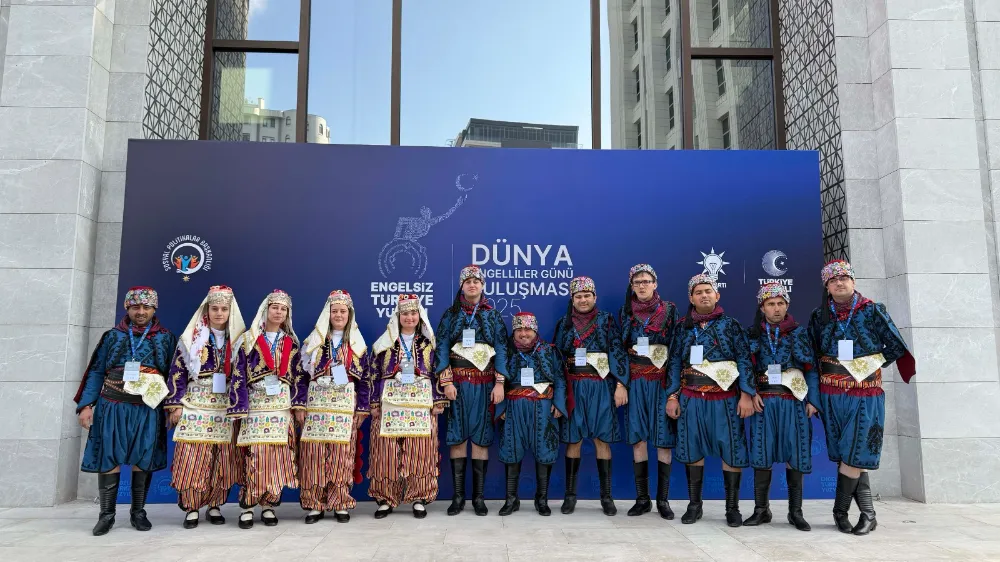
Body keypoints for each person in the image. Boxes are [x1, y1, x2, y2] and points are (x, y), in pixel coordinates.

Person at [808, 260, 915, 535]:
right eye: (833, 280)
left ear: (853, 281)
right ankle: (868, 514)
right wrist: (814, 396)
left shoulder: (872, 310)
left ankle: (840, 511)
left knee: (855, 453)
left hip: (864, 392)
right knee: (847, 454)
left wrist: (870, 363)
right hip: (831, 393)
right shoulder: (819, 316)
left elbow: (896, 346)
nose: (839, 282)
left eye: (844, 278)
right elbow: (812, 356)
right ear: (827, 287)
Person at [74, 286, 177, 536]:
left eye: (146, 307)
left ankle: (138, 512)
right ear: (127, 308)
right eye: (135, 307)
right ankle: (106, 515)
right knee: (108, 455)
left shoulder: (165, 338)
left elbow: (174, 374)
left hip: (148, 408)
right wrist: (86, 405)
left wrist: (172, 406)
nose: (141, 312)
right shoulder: (112, 336)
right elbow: (96, 371)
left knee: (144, 457)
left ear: (154, 309)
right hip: (112, 405)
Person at [666, 274, 754, 527]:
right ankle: (694, 505)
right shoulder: (682, 327)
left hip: (725, 399)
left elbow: (744, 360)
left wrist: (746, 394)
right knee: (692, 448)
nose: (704, 295)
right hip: (691, 398)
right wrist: (672, 396)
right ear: (691, 298)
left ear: (717, 295)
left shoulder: (731, 325)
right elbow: (674, 363)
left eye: (708, 291)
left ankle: (732, 508)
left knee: (731, 450)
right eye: (698, 292)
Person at [165, 285, 246, 529]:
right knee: (193, 456)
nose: (219, 313)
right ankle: (191, 507)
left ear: (230, 312)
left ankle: (215, 504)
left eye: (224, 309)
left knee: (222, 457)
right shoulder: (192, 337)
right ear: (206, 310)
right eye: (215, 308)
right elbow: (178, 371)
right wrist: (175, 404)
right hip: (195, 402)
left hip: (225, 405)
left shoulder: (240, 339)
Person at [435, 265, 509, 516]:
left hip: (485, 384)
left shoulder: (492, 315)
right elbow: (442, 346)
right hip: (457, 384)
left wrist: (500, 383)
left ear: (482, 285)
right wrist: (446, 381)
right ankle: (458, 497)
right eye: (468, 281)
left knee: (481, 436)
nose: (472, 285)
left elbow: (502, 348)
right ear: (462, 285)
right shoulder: (450, 314)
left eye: (476, 281)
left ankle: (478, 497)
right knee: (457, 436)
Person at [743, 283, 818, 531]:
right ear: (762, 307)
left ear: (787, 305)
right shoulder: (752, 334)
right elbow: (745, 366)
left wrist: (813, 401)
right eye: (771, 304)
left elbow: (811, 369)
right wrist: (750, 393)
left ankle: (795, 512)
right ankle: (761, 510)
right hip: (763, 402)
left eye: (780, 303)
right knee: (761, 453)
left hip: (793, 401)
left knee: (795, 454)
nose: (776, 308)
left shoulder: (799, 333)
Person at [552, 276, 629, 516]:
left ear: (595, 297)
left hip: (601, 386)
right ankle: (570, 496)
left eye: (587, 295)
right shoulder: (564, 323)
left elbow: (617, 352)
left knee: (601, 439)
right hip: (574, 387)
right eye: (578, 296)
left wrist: (621, 384)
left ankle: (606, 496)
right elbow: (556, 359)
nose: (583, 300)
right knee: (573, 440)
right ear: (572, 299)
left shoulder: (606, 320)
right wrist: (558, 393)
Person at [367, 294, 448, 519]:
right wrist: (373, 402)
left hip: (421, 406)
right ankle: (386, 498)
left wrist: (438, 399)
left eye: (413, 313)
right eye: (405, 313)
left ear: (419, 316)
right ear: (398, 316)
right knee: (386, 451)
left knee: (420, 451)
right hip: (389, 405)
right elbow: (372, 373)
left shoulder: (429, 344)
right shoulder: (385, 343)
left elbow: (439, 372)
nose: (409, 317)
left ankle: (419, 497)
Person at [228, 289, 303, 529]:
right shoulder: (249, 339)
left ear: (287, 314)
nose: (278, 312)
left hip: (281, 407)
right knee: (255, 455)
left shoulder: (291, 343)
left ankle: (269, 504)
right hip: (255, 407)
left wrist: (297, 404)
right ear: (266, 309)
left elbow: (298, 377)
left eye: (283, 309)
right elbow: (238, 374)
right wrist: (239, 405)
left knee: (277, 456)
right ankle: (248, 506)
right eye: (275, 308)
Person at [297, 290, 370, 524]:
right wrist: (299, 405)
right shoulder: (313, 342)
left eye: (343, 311)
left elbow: (365, 380)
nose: (338, 315)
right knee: (314, 454)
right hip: (316, 407)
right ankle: (314, 503)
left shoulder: (357, 344)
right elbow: (301, 377)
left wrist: (362, 408)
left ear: (350, 314)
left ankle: (340, 501)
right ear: (327, 314)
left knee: (341, 455)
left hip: (344, 408)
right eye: (334, 311)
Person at [618, 264, 680, 519]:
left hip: (661, 382)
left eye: (646, 281)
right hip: (635, 382)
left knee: (663, 440)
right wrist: (621, 383)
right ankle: (642, 499)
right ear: (632, 286)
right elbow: (619, 350)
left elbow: (676, 351)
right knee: (638, 439)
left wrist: (673, 392)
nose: (642, 285)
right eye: (637, 282)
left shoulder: (670, 310)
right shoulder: (625, 312)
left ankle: (663, 500)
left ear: (655, 283)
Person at [495, 312, 567, 516]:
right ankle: (511, 499)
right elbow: (498, 381)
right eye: (519, 329)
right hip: (514, 406)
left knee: (544, 450)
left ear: (535, 330)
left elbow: (560, 378)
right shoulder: (506, 351)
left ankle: (541, 499)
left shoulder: (549, 350)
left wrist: (558, 404)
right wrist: (501, 407)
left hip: (543, 406)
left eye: (528, 329)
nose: (523, 333)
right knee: (512, 449)